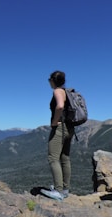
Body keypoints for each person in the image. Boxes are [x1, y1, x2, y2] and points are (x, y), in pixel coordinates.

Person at [41, 71, 74, 201]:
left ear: (52, 80)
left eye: (49, 80)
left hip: (60, 128)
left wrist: (55, 121)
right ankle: (65, 189)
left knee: (53, 158)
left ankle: (58, 191)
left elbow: (59, 106)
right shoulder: (67, 92)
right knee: (65, 158)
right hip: (70, 128)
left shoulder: (57, 91)